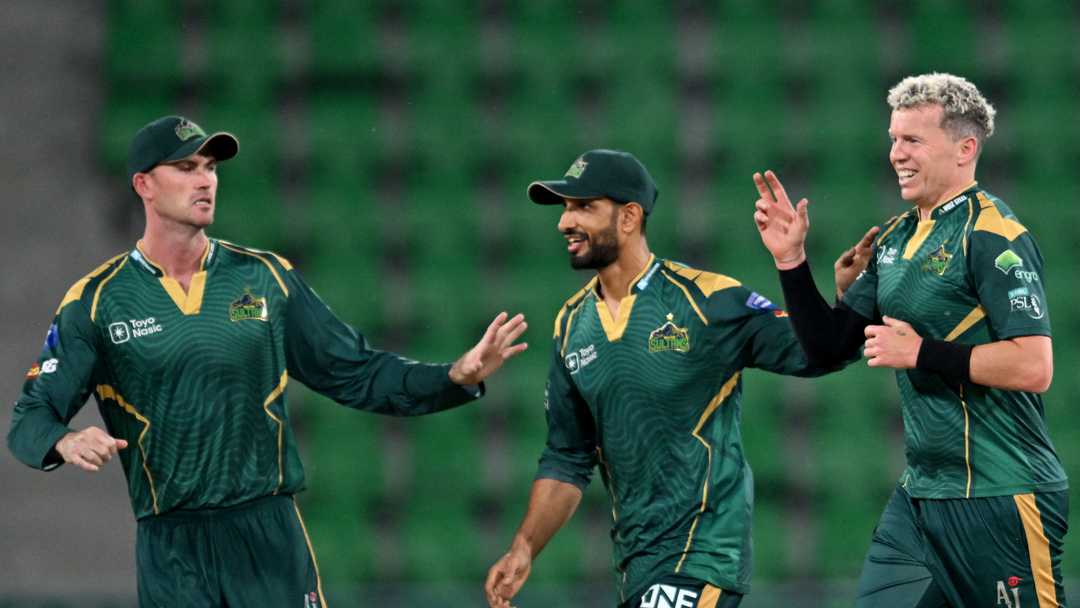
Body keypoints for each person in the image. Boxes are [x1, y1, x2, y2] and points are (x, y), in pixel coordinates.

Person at [7, 115, 528, 607]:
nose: (205, 180)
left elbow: (357, 371)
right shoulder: (96, 301)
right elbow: (30, 416)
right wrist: (64, 440)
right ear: (144, 184)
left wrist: (453, 377)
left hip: (267, 536)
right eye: (186, 167)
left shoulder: (266, 278)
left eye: (211, 167)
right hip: (172, 549)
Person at [484, 149, 864, 608]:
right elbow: (568, 457)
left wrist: (846, 298)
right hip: (637, 568)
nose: (565, 222)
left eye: (583, 206)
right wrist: (524, 547)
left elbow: (822, 353)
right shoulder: (571, 325)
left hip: (704, 555)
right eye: (565, 209)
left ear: (629, 217)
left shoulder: (707, 301)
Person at [752, 73, 1067, 606]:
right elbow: (829, 346)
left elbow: (1033, 367)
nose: (896, 153)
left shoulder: (993, 236)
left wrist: (921, 352)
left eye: (913, 140)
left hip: (1002, 493)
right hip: (921, 496)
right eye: (894, 138)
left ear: (965, 149)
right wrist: (791, 261)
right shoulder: (897, 236)